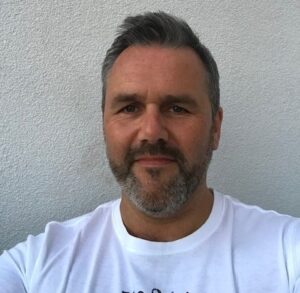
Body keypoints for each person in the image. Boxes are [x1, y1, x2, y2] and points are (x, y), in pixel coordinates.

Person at [0, 11, 299, 293]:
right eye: (129, 108)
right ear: (105, 124)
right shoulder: (34, 269)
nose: (152, 131)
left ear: (215, 128)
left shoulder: (287, 254)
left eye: (177, 108)